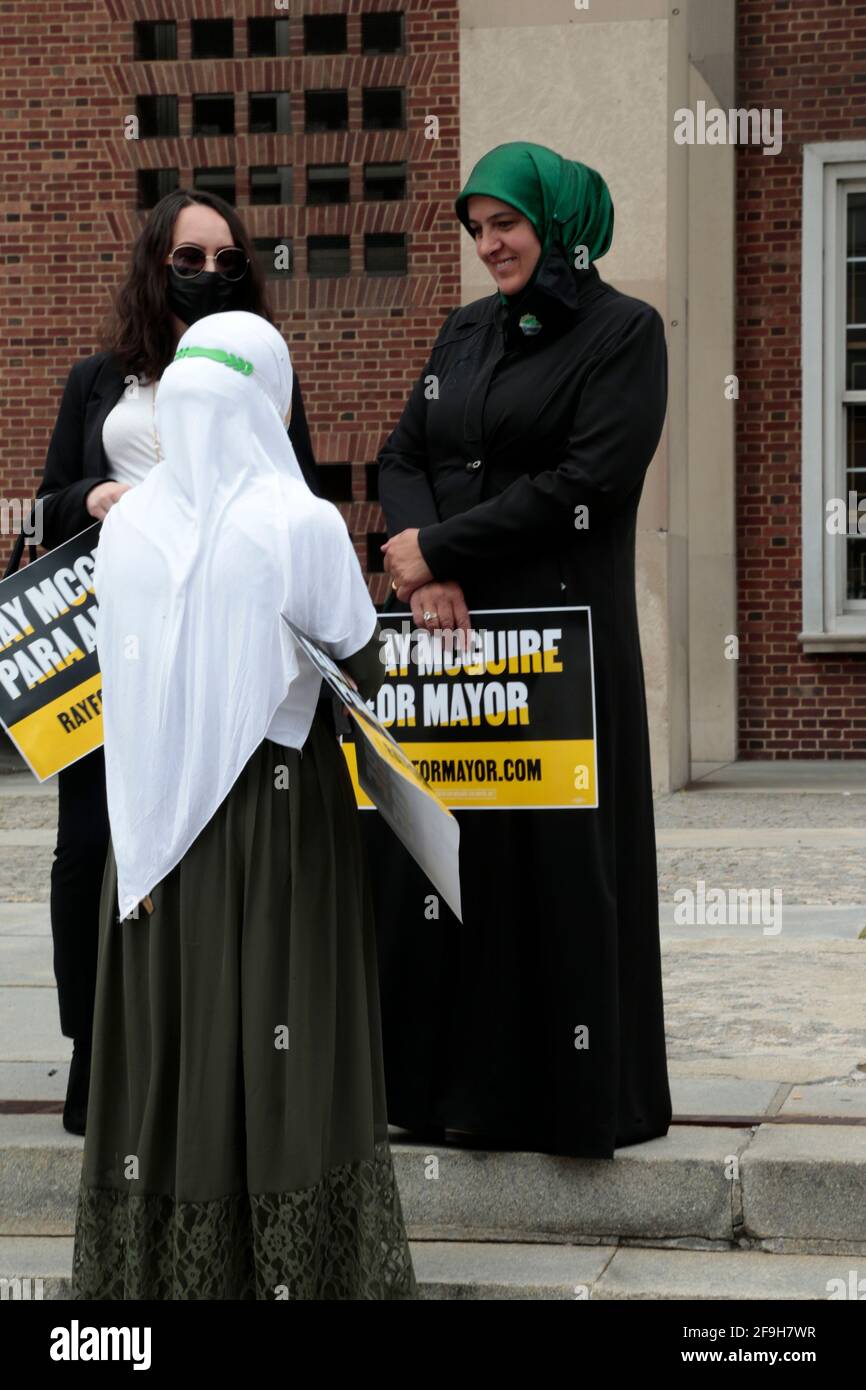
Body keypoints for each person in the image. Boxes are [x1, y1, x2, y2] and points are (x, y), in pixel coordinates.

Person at [70, 310, 417, 1300]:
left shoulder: (128, 519)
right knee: (280, 1029)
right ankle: (292, 1273)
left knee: (168, 1044)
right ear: (269, 399)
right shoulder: (300, 521)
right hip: (275, 821)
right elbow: (361, 662)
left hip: (146, 832)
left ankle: (158, 1280)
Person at [369, 141, 672, 1160]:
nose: (488, 243)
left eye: (505, 223)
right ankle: (444, 1091)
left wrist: (441, 544)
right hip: (453, 647)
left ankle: (567, 1099)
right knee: (449, 865)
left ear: (558, 223)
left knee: (552, 872)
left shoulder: (624, 333)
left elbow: (585, 480)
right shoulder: (463, 332)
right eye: (475, 227)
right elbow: (403, 453)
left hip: (561, 650)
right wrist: (426, 570)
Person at [34, 190, 323, 1135]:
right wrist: (96, 495)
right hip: (111, 647)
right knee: (91, 849)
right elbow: (43, 508)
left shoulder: (261, 376)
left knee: (202, 848)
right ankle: (98, 1056)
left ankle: (207, 1062)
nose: (206, 273)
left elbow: (301, 503)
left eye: (225, 260)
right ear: (153, 261)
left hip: (221, 653)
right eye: (187, 256)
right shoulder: (96, 380)